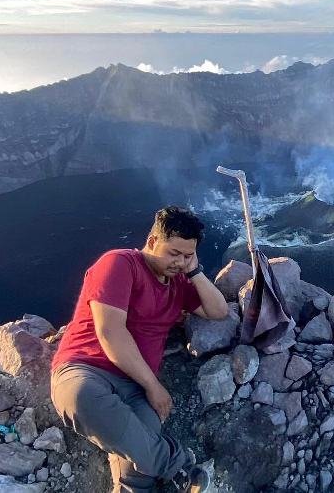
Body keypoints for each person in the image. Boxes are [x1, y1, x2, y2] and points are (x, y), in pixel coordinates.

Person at [50, 206, 228, 493]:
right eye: (174, 253)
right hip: (86, 368)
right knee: (81, 399)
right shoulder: (120, 264)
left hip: (134, 387)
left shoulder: (179, 283)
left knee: (138, 456)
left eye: (187, 255)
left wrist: (195, 271)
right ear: (153, 240)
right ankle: (179, 466)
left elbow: (218, 311)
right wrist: (153, 386)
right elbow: (111, 333)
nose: (179, 262)